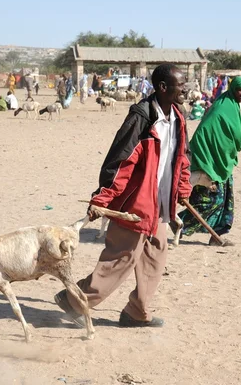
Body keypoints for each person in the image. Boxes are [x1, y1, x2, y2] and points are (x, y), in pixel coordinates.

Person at [54, 63, 192, 328]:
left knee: (156, 254)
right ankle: (73, 300)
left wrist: (182, 188)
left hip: (160, 204)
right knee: (122, 258)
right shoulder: (141, 117)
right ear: (163, 87)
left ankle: (136, 312)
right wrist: (103, 198)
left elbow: (181, 158)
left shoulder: (178, 116)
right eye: (181, 83)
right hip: (136, 203)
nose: (186, 88)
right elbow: (120, 162)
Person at [178, 76, 241, 246]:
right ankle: (176, 225)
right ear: (234, 89)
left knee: (225, 203)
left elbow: (236, 135)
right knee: (209, 201)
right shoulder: (222, 107)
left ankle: (216, 236)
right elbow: (205, 134)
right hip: (208, 164)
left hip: (223, 164)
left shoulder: (232, 106)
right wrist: (208, 161)